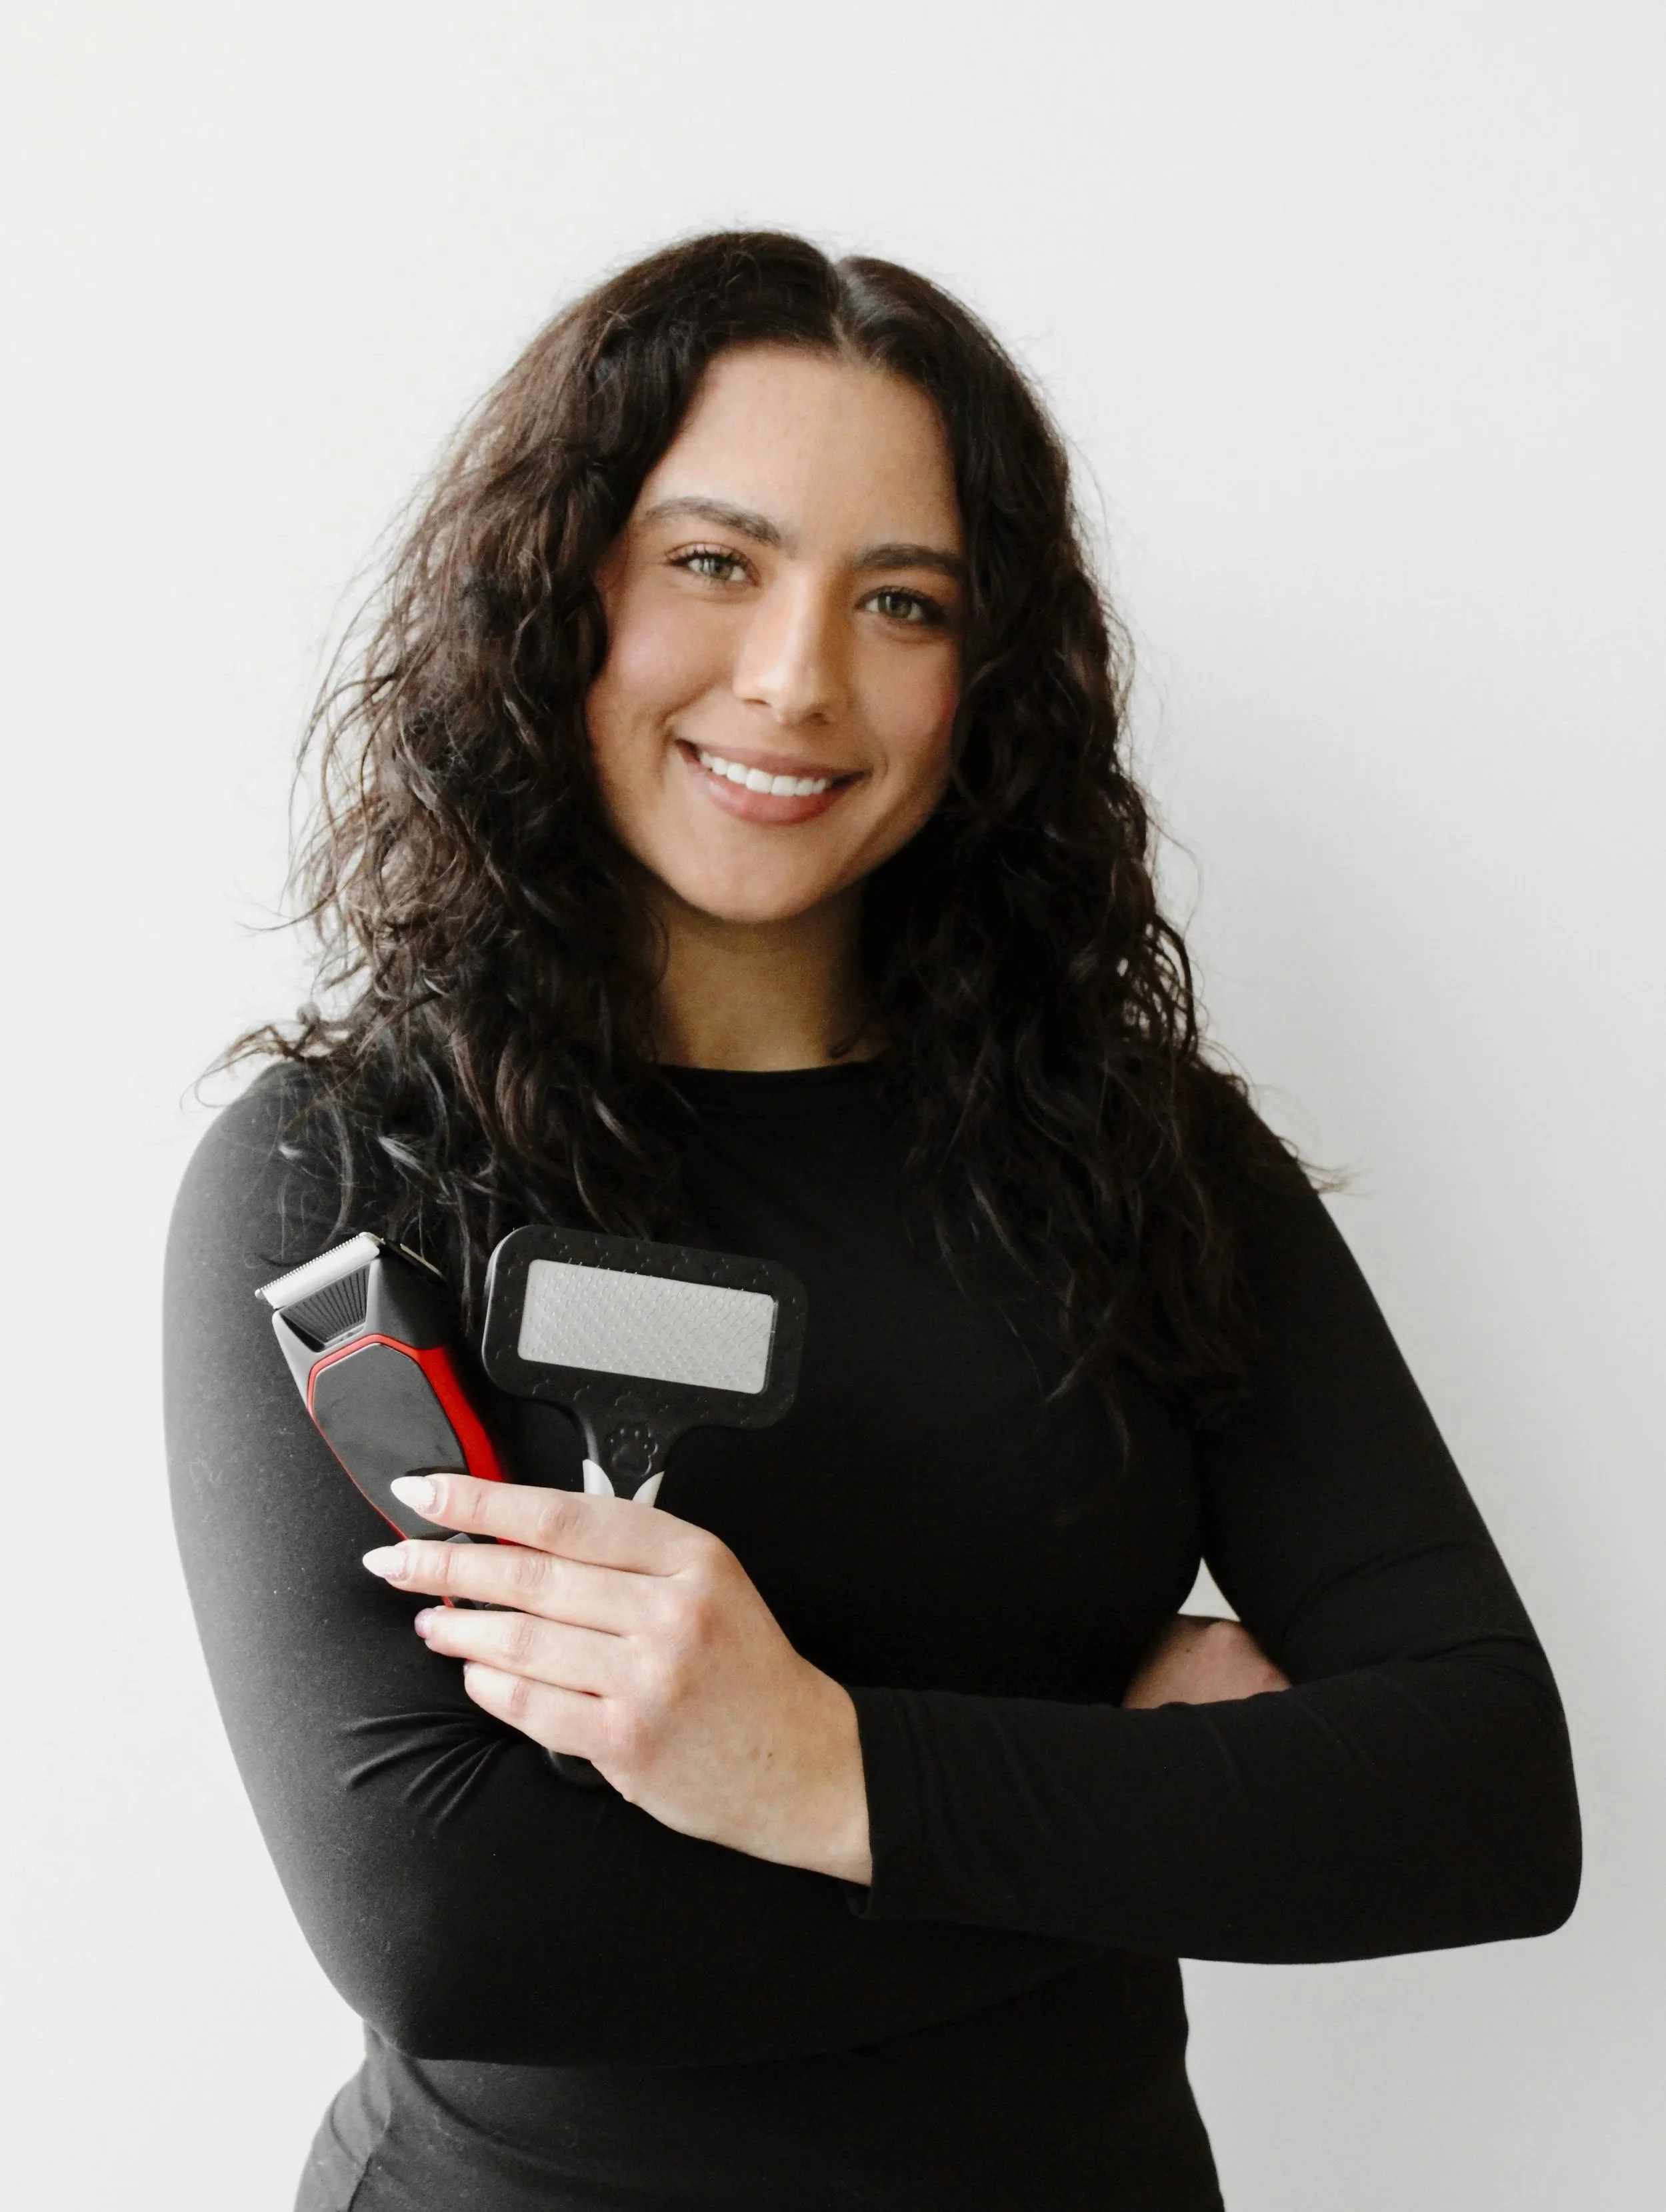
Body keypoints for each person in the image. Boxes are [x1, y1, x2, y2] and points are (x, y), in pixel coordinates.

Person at [165, 232, 1580, 2212]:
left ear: (986, 672)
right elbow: (455, 1928)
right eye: (715, 562)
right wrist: (1126, 1797)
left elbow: (1486, 1805)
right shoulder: (343, 1176)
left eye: (900, 598)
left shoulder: (1150, 1160)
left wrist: (819, 1762)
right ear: (565, 591)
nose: (796, 679)